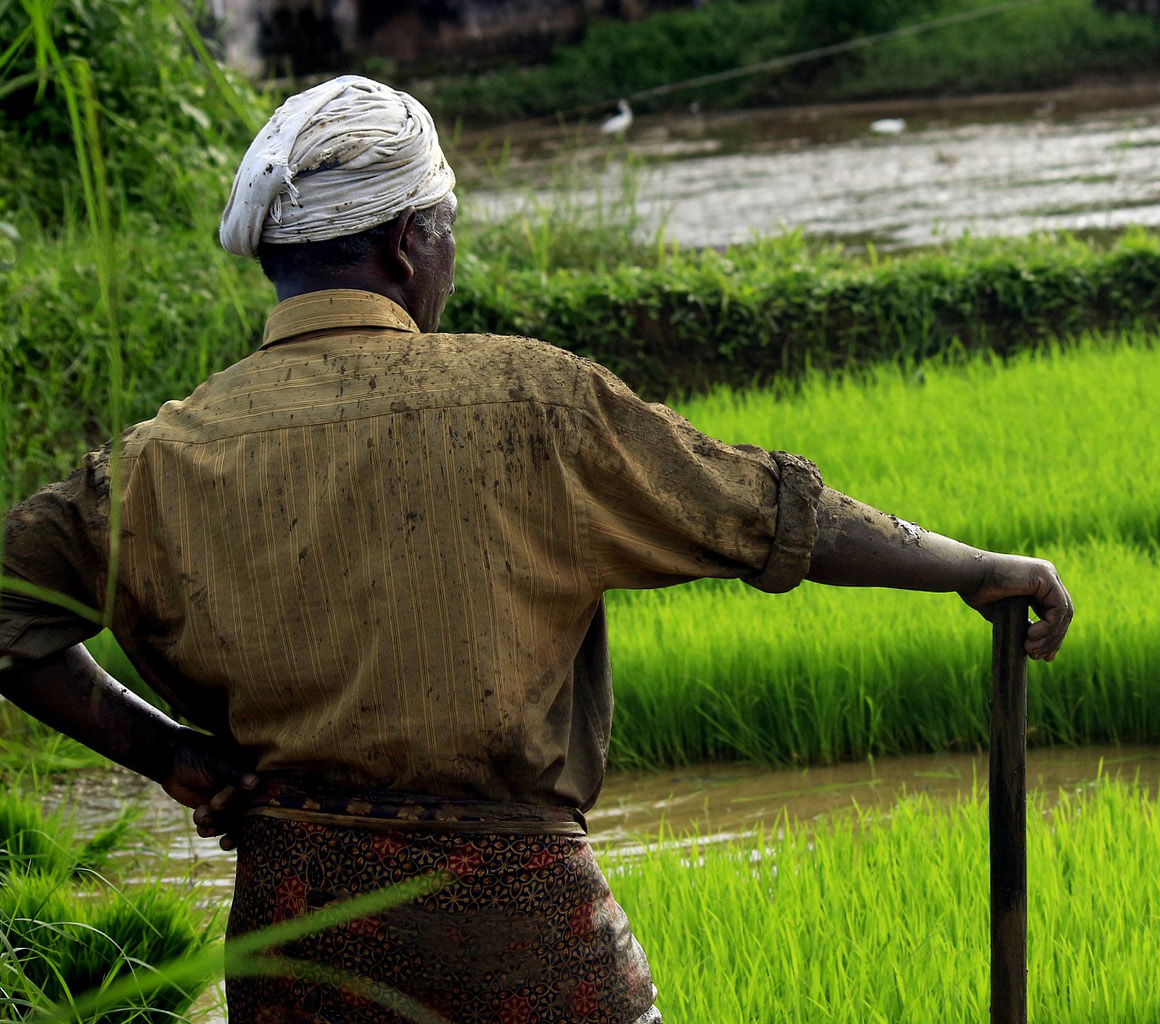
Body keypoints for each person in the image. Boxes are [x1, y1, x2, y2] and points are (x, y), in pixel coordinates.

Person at [0, 76, 1072, 1024]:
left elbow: (9, 616)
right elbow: (764, 512)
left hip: (292, 943)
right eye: (448, 229)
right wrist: (977, 567)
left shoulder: (161, 458)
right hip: (514, 925)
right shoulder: (528, 400)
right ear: (412, 242)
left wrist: (170, 755)